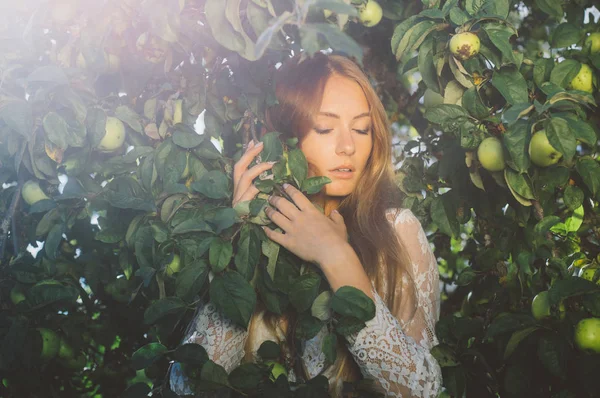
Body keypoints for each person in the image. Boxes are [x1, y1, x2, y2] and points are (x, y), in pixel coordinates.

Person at [170, 53, 442, 397]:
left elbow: (420, 391)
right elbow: (191, 386)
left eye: (362, 128)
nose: (348, 146)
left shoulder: (397, 232)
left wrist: (336, 258)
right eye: (326, 128)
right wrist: (241, 233)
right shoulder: (254, 239)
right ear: (284, 138)